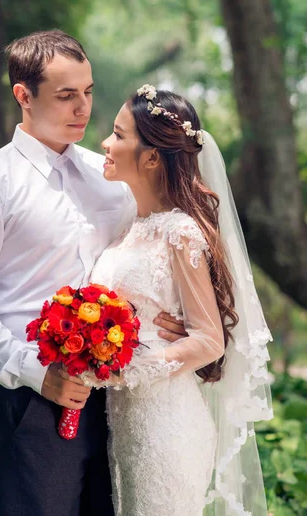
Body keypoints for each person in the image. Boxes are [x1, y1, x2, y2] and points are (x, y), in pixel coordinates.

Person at [0, 31, 184, 516]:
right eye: (66, 95)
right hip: (30, 397)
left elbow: (148, 258)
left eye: (88, 92)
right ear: (23, 95)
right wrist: (34, 372)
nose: (82, 108)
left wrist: (168, 320)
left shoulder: (111, 177)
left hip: (120, 393)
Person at [91, 84, 273, 516]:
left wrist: (125, 371)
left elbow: (209, 339)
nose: (105, 142)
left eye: (119, 134)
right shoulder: (129, 227)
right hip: (123, 424)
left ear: (152, 156)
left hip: (166, 426)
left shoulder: (180, 232)